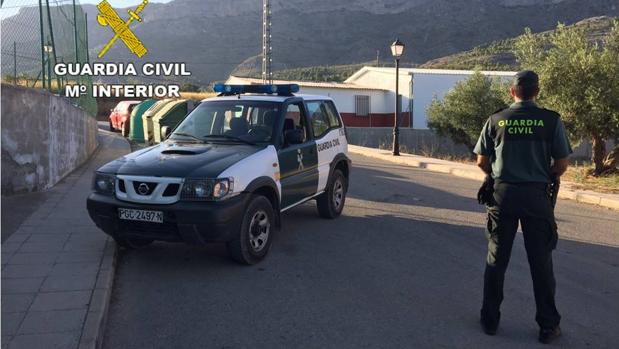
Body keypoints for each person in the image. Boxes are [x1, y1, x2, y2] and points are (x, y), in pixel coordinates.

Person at [473, 70, 572, 344]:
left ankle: (490, 320)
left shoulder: (496, 120)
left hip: (502, 196)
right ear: (537, 92)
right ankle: (548, 326)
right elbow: (562, 165)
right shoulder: (551, 121)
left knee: (496, 259)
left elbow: (481, 160)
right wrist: (543, 172)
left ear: (512, 92)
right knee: (541, 264)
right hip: (536, 198)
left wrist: (496, 171)